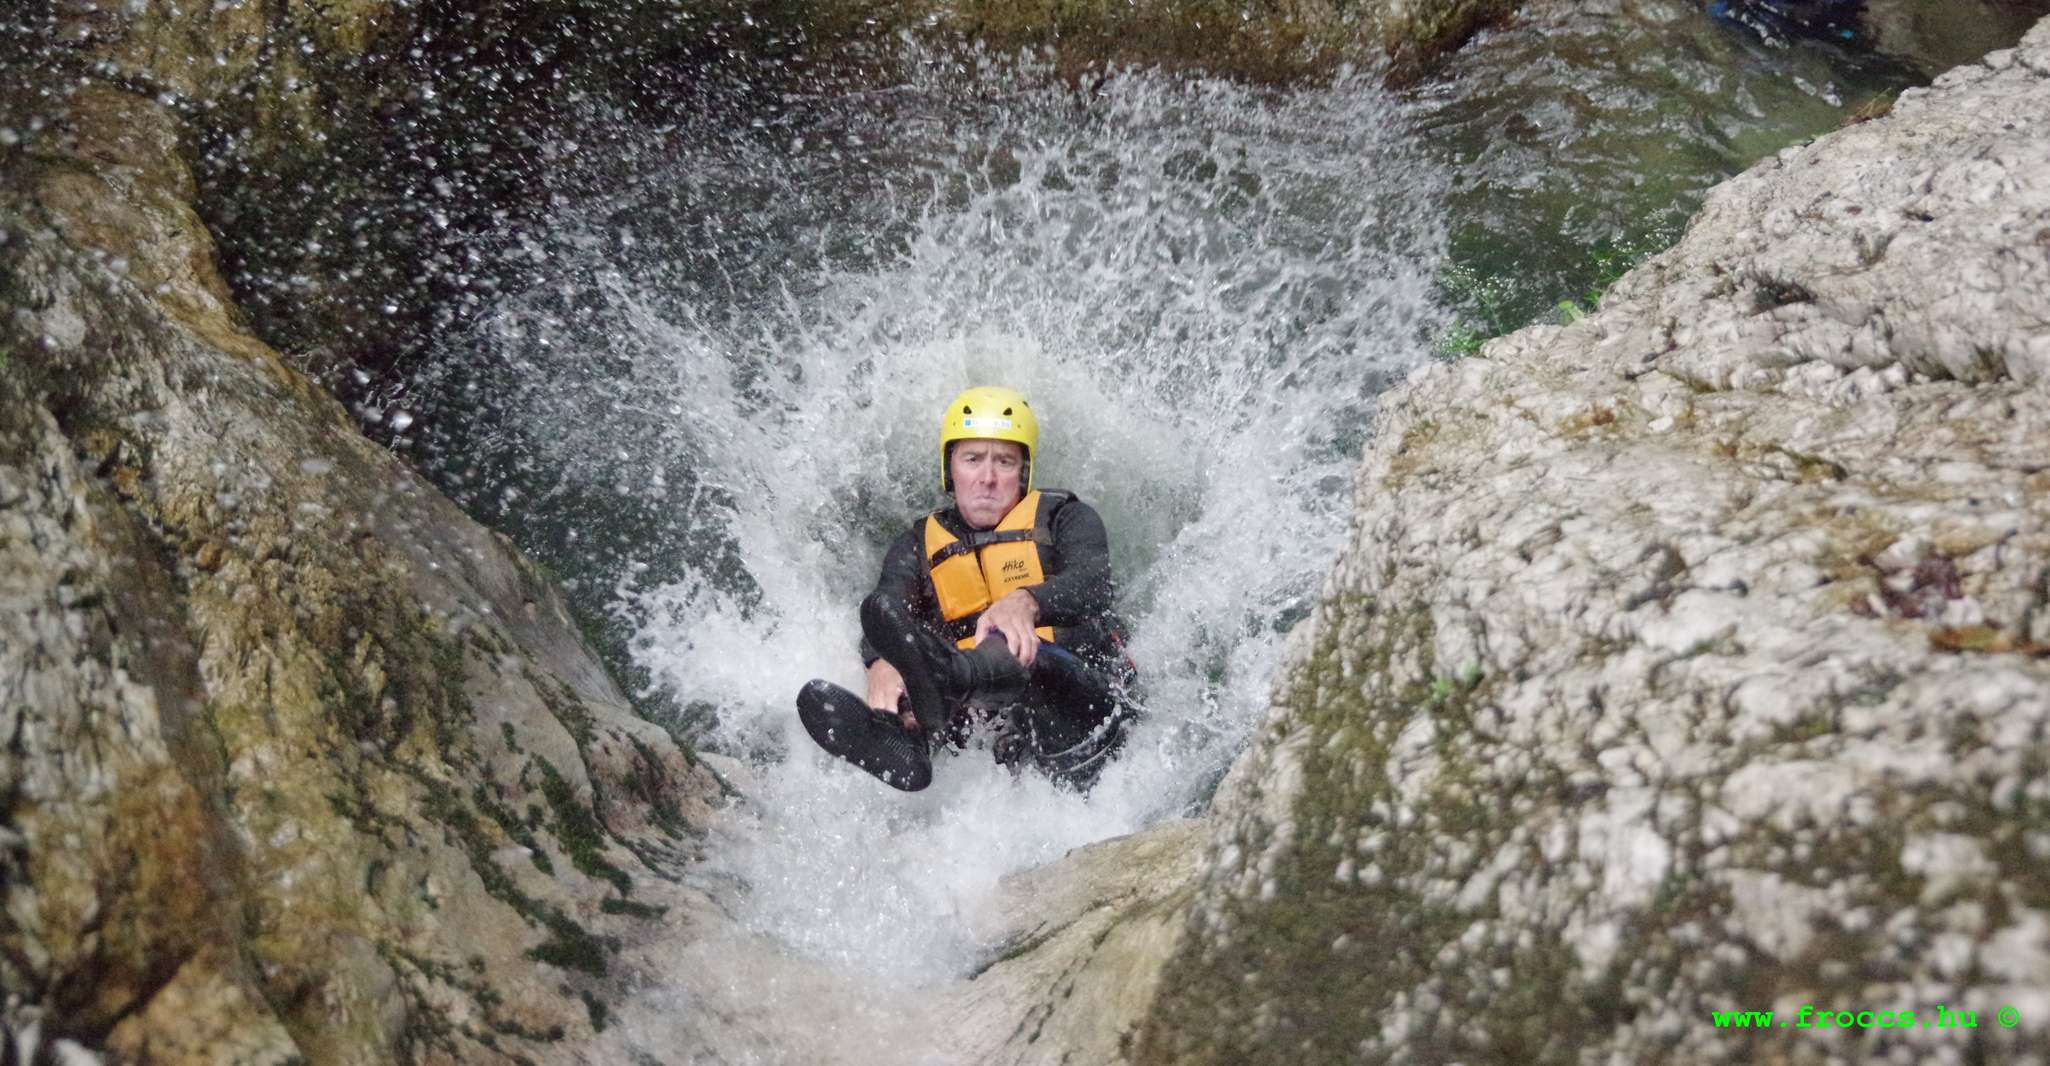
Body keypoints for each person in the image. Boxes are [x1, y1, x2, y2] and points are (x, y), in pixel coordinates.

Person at [796, 385, 1138, 792]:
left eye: (1005, 462)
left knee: (1023, 651)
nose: (988, 478)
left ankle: (950, 681)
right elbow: (886, 608)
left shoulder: (1066, 519)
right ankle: (905, 736)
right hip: (994, 739)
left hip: (1086, 717)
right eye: (972, 459)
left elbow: (1093, 584)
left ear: (1023, 473)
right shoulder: (918, 545)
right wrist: (881, 664)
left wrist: (1027, 601)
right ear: (950, 470)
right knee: (913, 673)